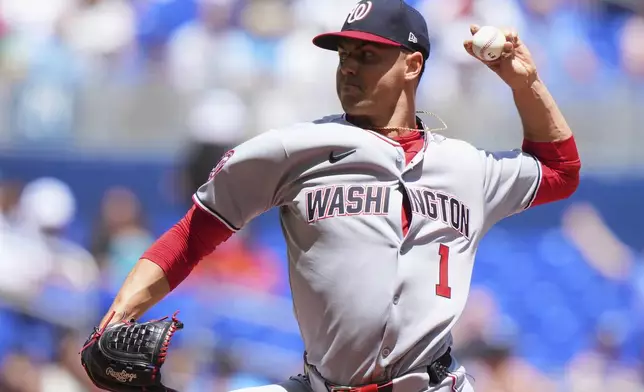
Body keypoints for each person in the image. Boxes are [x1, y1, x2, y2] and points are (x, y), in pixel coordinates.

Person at [89, 1, 581, 391]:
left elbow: (561, 170)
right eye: (344, 55)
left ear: (413, 65)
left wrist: (526, 82)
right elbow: (189, 237)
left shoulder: (466, 166)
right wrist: (111, 324)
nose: (349, 68)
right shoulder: (292, 149)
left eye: (367, 56)